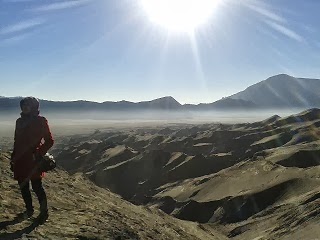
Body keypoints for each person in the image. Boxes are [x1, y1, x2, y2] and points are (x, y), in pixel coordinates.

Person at [10, 97, 54, 222]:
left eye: (28, 105)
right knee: (23, 186)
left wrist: (38, 153)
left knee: (37, 186)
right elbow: (16, 141)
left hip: (33, 160)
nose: (25, 107)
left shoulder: (41, 121)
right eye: (23, 104)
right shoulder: (19, 121)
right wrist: (13, 157)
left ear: (34, 106)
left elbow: (49, 141)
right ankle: (29, 210)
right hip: (20, 159)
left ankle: (44, 213)